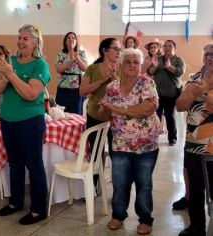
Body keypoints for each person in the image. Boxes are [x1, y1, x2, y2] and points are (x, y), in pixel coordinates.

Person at [0, 24, 50, 225]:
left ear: (35, 42)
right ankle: (15, 202)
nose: (20, 41)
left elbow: (30, 94)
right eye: (19, 37)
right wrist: (6, 76)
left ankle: (38, 209)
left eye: (25, 38)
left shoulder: (40, 65)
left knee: (34, 165)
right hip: (7, 119)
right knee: (14, 163)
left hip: (30, 121)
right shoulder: (11, 61)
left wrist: (11, 74)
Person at [99, 48, 160, 235]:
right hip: (119, 144)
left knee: (144, 184)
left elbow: (148, 108)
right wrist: (105, 108)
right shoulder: (112, 87)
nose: (132, 65)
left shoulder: (147, 83)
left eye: (136, 62)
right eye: (128, 62)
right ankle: (118, 215)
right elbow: (105, 114)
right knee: (119, 183)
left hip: (145, 145)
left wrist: (118, 108)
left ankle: (145, 219)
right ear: (120, 65)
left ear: (141, 65)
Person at [176, 44, 213, 236]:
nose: (210, 57)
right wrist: (191, 94)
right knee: (196, 188)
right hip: (194, 142)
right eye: (207, 54)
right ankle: (196, 227)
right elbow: (180, 106)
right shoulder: (194, 79)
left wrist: (204, 93)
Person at [79, 37, 121, 188]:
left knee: (117, 154)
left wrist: (114, 77)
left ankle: (117, 188)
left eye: (119, 50)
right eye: (115, 49)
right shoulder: (92, 68)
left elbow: (126, 94)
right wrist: (102, 80)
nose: (118, 52)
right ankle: (95, 186)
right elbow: (83, 91)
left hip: (116, 118)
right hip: (95, 115)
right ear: (104, 50)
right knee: (96, 152)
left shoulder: (122, 68)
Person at [147, 39, 186, 146]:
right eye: (165, 46)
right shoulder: (158, 59)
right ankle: (153, 138)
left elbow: (180, 72)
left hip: (171, 94)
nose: (167, 48)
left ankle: (172, 138)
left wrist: (170, 67)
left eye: (170, 46)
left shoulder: (178, 60)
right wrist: (154, 67)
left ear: (174, 48)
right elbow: (149, 72)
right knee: (156, 116)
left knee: (169, 116)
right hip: (157, 94)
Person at [55, 32, 88, 114]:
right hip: (63, 86)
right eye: (68, 38)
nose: (71, 39)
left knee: (76, 111)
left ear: (76, 41)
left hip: (77, 88)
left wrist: (77, 58)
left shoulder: (81, 53)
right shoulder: (61, 54)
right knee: (62, 111)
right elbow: (59, 69)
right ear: (65, 41)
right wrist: (70, 61)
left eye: (73, 38)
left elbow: (85, 69)